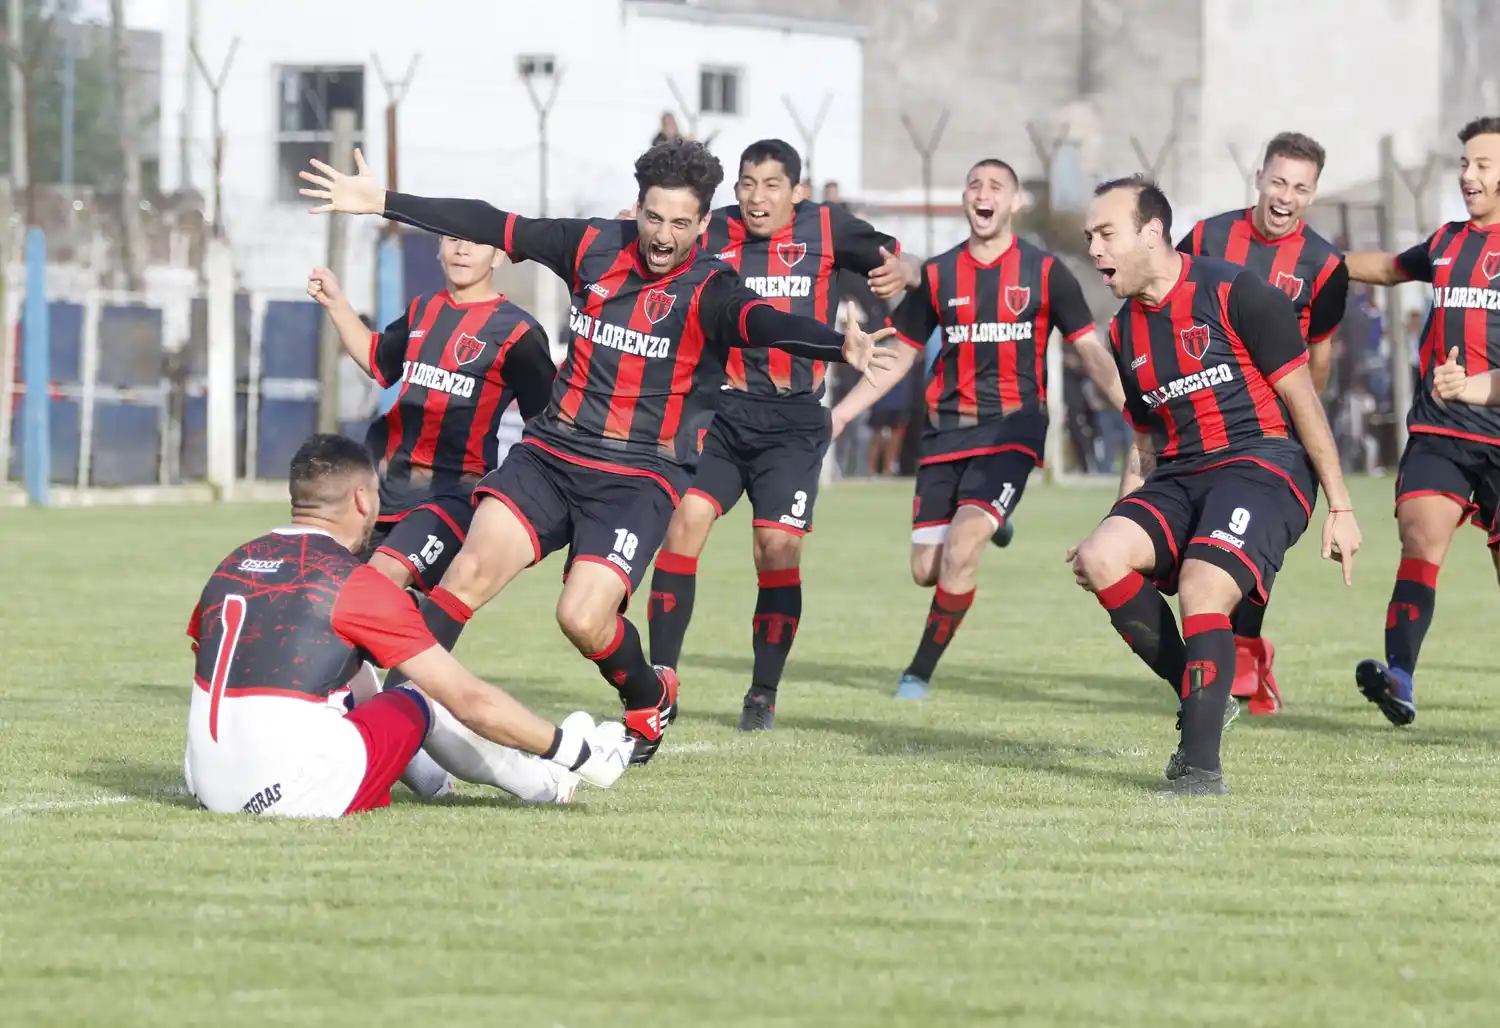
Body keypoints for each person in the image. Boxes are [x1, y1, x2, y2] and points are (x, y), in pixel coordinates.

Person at [298, 140, 899, 765]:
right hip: (552, 453)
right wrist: (385, 203)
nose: (664, 236)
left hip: (638, 475)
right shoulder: (592, 246)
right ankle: (383, 727)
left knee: (582, 618)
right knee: (466, 575)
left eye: (681, 224)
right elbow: (492, 221)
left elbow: (765, 321)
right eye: (654, 217)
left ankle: (647, 694)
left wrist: (836, 345)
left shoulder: (712, 289)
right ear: (635, 208)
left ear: (702, 224)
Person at [1067, 177, 1360, 796]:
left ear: (1152, 232)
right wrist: (1116, 518)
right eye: (1089, 235)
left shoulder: (1234, 292)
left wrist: (1343, 505)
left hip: (1264, 464)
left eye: (1105, 233)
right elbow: (1146, 443)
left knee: (1203, 583)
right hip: (1178, 471)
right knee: (1099, 558)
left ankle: (1199, 769)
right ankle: (1200, 692)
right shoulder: (1123, 332)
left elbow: (1303, 401)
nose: (1094, 247)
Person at [183, 434, 634, 818]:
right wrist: (577, 754)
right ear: (363, 500)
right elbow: (470, 701)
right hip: (290, 793)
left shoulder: (232, 564)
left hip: (206, 785)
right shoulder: (356, 583)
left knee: (351, 673)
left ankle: (430, 778)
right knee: (421, 698)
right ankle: (549, 784)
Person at [835, 157, 1126, 700]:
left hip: (1013, 429)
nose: (983, 193)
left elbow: (1089, 350)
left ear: (1015, 203)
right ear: (965, 199)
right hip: (946, 433)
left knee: (963, 546)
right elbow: (899, 357)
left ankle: (917, 672)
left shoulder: (1045, 273)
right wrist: (839, 415)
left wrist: (1133, 408)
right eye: (974, 185)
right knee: (927, 569)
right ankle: (997, 518)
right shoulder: (940, 274)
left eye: (996, 186)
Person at [645, 138, 906, 732]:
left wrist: (905, 269)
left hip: (793, 423)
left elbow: (892, 258)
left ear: (797, 192)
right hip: (721, 412)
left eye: (770, 185)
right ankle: (661, 679)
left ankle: (762, 692)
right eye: (746, 184)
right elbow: (651, 243)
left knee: (776, 549)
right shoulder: (711, 231)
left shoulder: (829, 229)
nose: (757, 197)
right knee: (684, 523)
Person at [1177, 131, 1350, 715]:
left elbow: (1319, 353)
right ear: (1259, 177)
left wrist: (1305, 422)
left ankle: (1242, 654)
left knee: (1245, 540)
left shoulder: (1324, 264)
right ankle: (1235, 654)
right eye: (1278, 181)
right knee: (1192, 547)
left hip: (1271, 432)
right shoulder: (1206, 237)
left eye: (1300, 187)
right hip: (1199, 419)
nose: (1286, 196)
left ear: (1314, 193)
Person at [1344, 115, 1500, 727]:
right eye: (1464, 164)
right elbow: (1387, 267)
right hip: (1440, 433)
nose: (1468, 175)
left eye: (1483, 165)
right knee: (1420, 538)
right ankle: (1399, 679)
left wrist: (1477, 389)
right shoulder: (1445, 243)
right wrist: (1319, 259)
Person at [307, 239, 556, 597]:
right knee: (333, 592)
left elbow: (545, 422)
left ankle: (412, 624)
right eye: (453, 240)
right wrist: (335, 302)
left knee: (379, 581)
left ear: (499, 255)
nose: (462, 250)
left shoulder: (518, 331)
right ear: (439, 247)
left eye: (476, 243)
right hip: (384, 486)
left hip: (451, 493)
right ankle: (409, 628)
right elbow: (378, 360)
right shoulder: (424, 309)